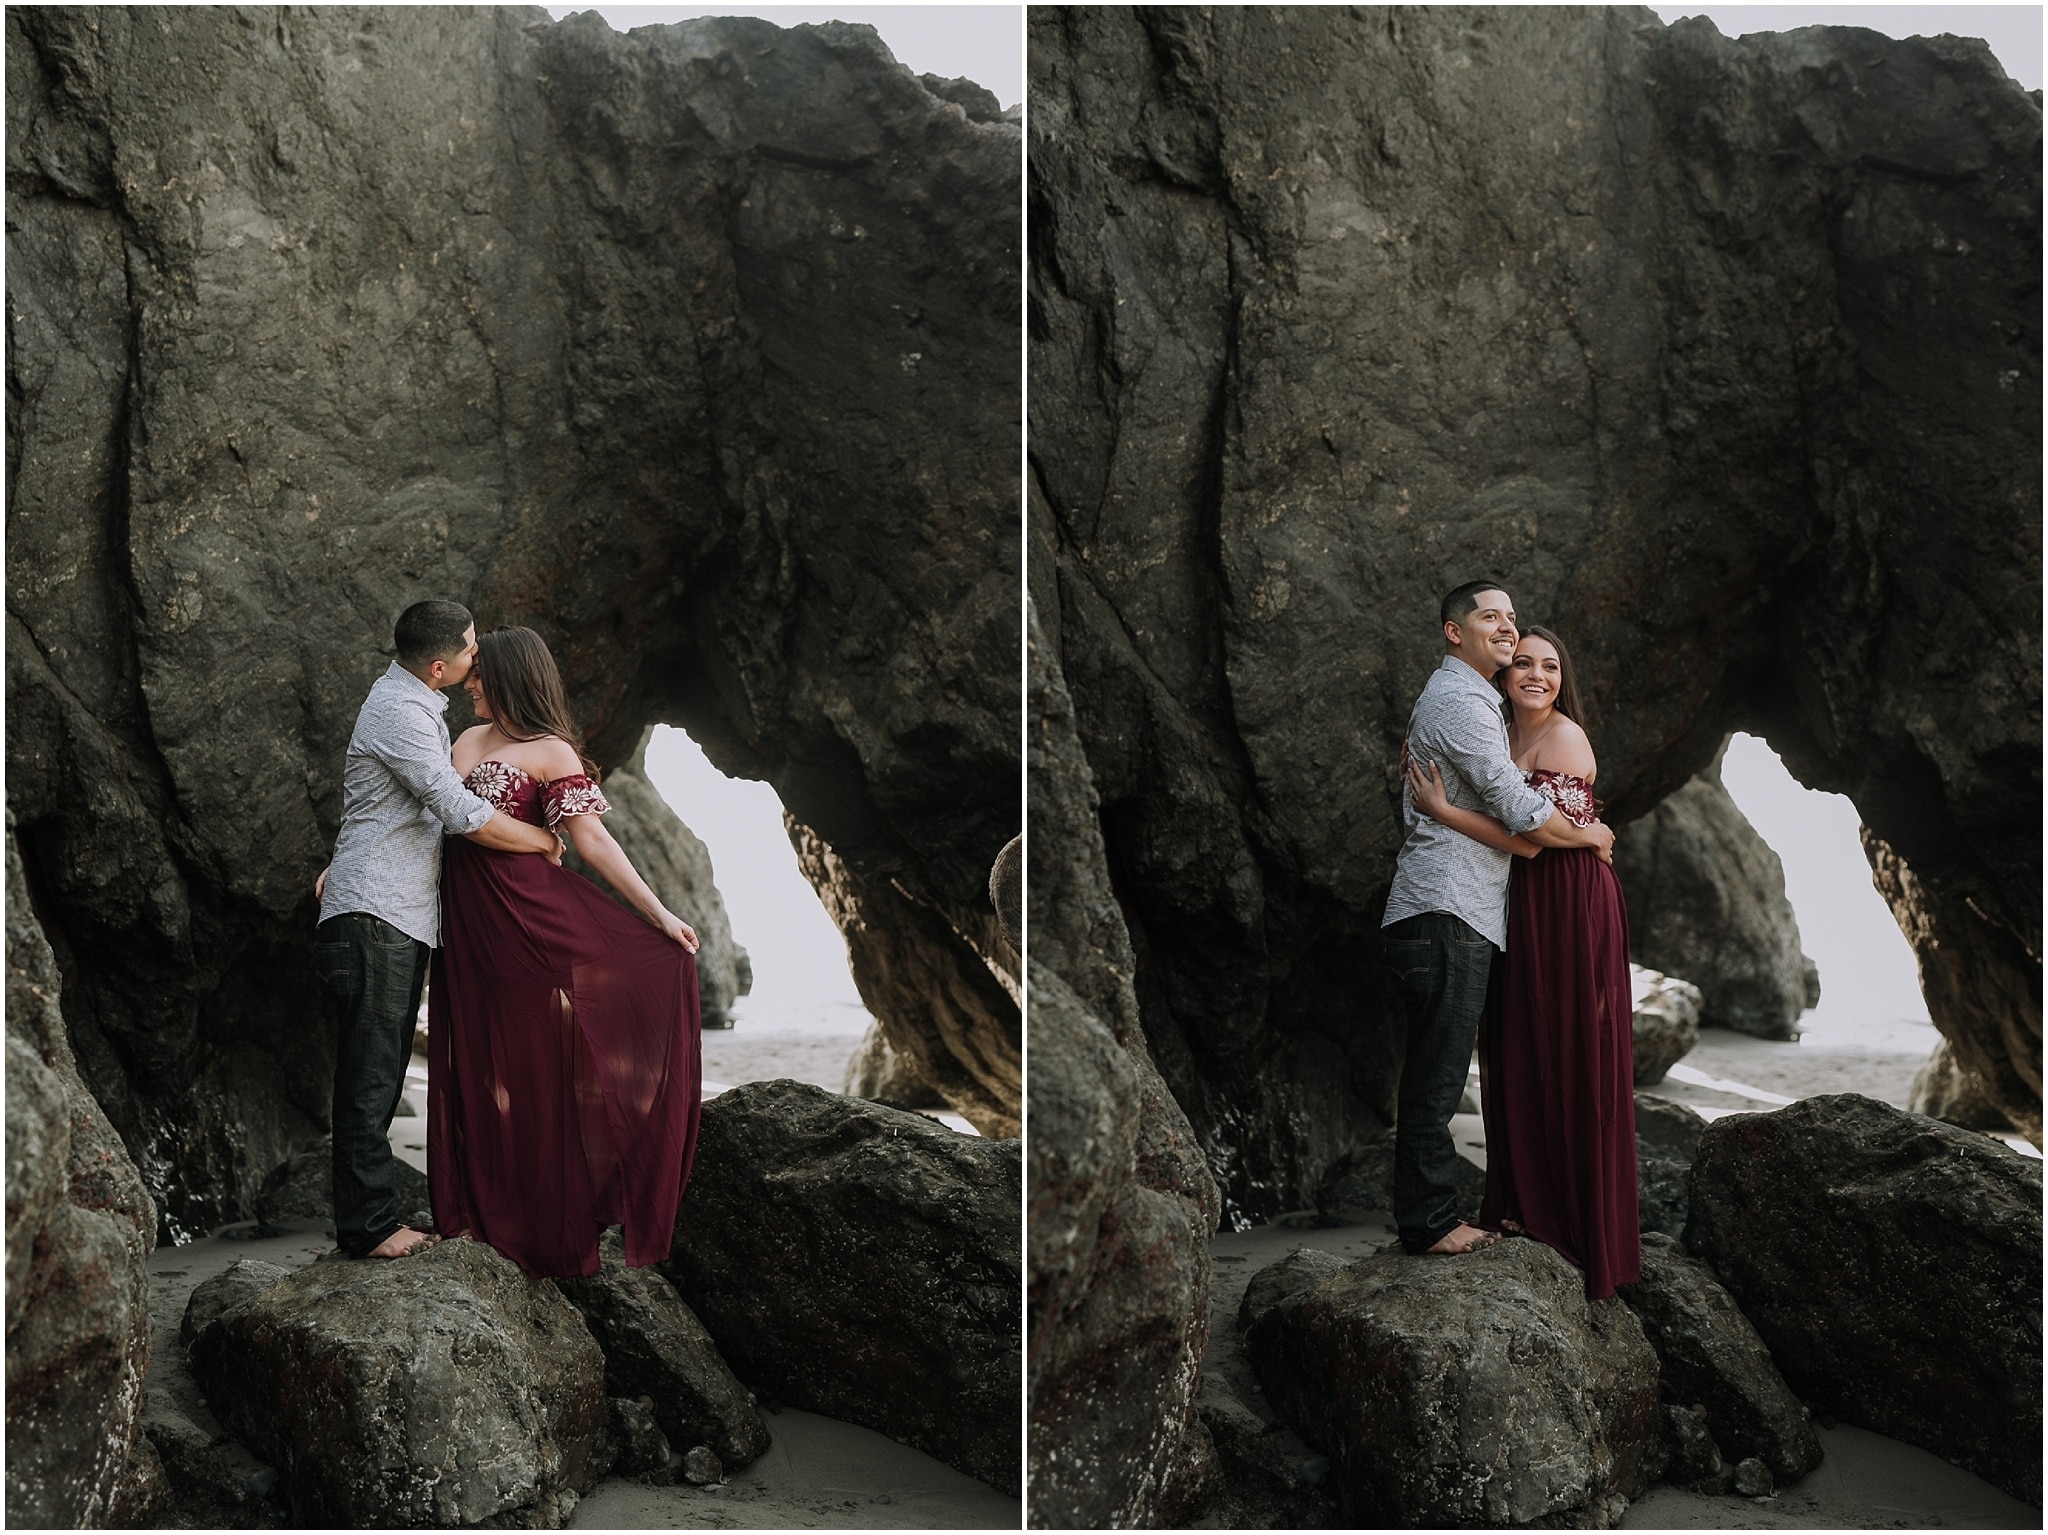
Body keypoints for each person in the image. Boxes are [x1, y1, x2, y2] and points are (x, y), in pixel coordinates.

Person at [429, 625, 703, 1279]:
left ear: (507, 677)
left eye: (479, 676)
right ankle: (475, 1211)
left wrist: (660, 913)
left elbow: (592, 842)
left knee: (531, 1065)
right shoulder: (464, 741)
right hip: (464, 924)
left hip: (528, 917)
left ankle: (540, 1224)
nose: (469, 685)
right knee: (475, 1060)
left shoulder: (551, 750)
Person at [314, 600, 564, 1260]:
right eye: (470, 650)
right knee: (371, 1078)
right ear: (437, 665)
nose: (477, 654)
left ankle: (371, 1217)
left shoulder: (415, 703)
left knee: (382, 1071)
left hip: (385, 909)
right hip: (378, 914)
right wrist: (541, 839)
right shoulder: (401, 712)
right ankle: (368, 1227)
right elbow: (460, 812)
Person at [1380, 582, 1615, 1258]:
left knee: (1441, 1070)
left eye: (1513, 619)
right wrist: (1591, 835)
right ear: (1454, 631)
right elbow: (1524, 815)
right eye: (1493, 618)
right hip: (1448, 908)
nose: (1509, 632)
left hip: (1460, 908)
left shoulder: (1472, 703)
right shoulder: (1462, 703)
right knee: (1438, 1076)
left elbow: (1518, 819)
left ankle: (1439, 1213)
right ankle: (1429, 1222)